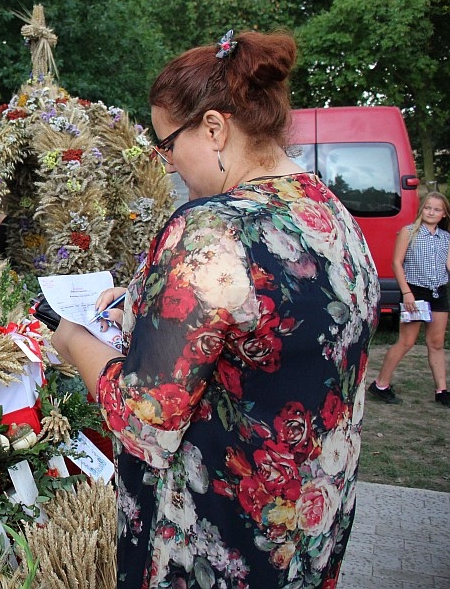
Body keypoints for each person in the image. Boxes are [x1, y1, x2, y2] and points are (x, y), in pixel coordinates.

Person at [51, 30, 379, 588]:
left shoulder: (209, 228)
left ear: (213, 128)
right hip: (307, 533)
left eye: (168, 144)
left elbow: (144, 419)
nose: (170, 164)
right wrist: (140, 303)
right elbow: (274, 319)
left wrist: (75, 342)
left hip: (218, 542)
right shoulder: (331, 215)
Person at [369, 192, 450, 407]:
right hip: (414, 293)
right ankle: (380, 384)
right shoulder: (408, 232)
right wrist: (407, 293)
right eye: (428, 208)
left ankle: (442, 390)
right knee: (407, 341)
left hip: (439, 293)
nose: (431, 212)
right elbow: (397, 263)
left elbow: (448, 265)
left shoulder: (446, 238)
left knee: (436, 343)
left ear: (444, 214)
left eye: (437, 209)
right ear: (422, 209)